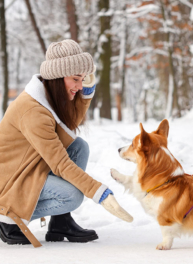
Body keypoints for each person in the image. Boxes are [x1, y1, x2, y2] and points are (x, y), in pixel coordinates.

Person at [0, 39, 132, 248]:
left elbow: (66, 130)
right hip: (12, 181)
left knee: (79, 146)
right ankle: (8, 218)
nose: (80, 87)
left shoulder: (46, 97)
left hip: (31, 168)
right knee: (71, 196)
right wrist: (100, 193)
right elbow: (60, 163)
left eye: (83, 80)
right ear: (57, 77)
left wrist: (86, 96)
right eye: (76, 79)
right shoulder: (33, 111)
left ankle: (60, 222)